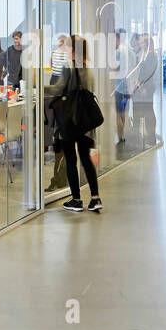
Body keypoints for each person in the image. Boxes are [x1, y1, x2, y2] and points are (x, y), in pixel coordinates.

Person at [48, 35, 103, 213]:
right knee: (86, 159)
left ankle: (76, 200)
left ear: (71, 49)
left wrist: (38, 87)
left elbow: (58, 89)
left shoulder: (68, 66)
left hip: (70, 121)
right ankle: (95, 198)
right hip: (85, 123)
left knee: (71, 160)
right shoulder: (87, 67)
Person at [127, 34, 159, 146]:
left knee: (148, 113)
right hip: (142, 88)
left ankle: (150, 138)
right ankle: (144, 137)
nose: (139, 44)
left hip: (145, 89)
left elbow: (148, 73)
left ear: (146, 43)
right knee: (145, 112)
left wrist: (141, 85)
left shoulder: (151, 56)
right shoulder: (145, 55)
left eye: (141, 42)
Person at [111, 29, 134, 144]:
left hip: (119, 87)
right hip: (125, 87)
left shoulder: (119, 52)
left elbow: (116, 68)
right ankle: (122, 136)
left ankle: (120, 137)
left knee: (119, 113)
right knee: (123, 112)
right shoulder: (127, 51)